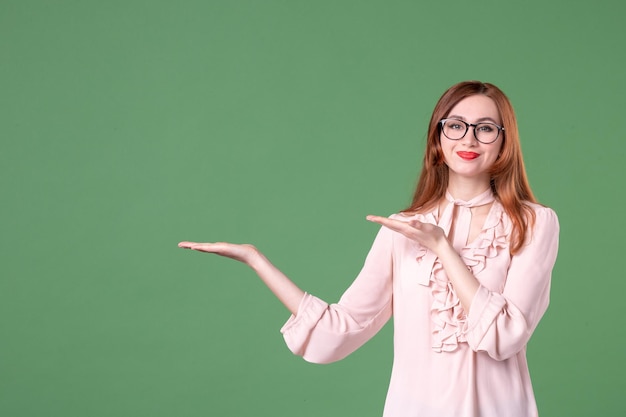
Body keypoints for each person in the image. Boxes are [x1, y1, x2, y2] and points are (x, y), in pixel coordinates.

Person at [179, 81, 559, 417]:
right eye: (456, 126)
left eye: (486, 129)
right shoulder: (401, 229)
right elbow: (341, 328)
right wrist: (255, 259)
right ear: (437, 139)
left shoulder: (534, 222)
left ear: (505, 142)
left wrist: (442, 247)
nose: (469, 139)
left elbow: (506, 336)